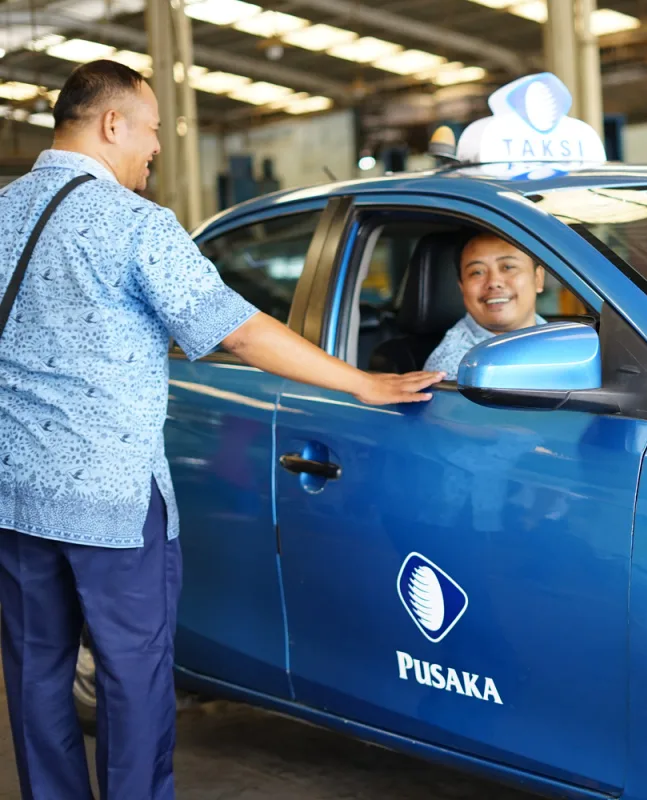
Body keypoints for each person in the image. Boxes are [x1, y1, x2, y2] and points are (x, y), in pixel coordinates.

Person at [0, 60, 442, 800]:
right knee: (131, 674)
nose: (155, 151)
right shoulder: (134, 223)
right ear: (111, 124)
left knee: (35, 668)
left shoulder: (4, 211)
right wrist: (362, 381)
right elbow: (235, 332)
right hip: (110, 498)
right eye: (150, 133)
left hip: (13, 492)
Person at [424, 232, 548, 379]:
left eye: (507, 267)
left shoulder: (557, 336)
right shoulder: (457, 368)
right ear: (462, 287)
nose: (493, 282)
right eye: (477, 272)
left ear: (538, 278)